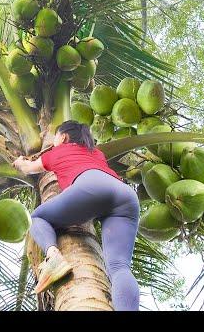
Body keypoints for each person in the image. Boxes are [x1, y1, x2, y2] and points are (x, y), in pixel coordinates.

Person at [12, 120, 140, 311]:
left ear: (63, 137)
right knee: (119, 266)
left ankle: (53, 256)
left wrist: (20, 163)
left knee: (37, 218)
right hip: (125, 195)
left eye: (56, 137)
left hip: (91, 186)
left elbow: (29, 169)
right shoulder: (96, 153)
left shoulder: (56, 152)